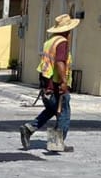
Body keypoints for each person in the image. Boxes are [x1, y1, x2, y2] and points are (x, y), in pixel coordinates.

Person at [19, 14, 79, 153]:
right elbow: (59, 62)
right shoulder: (62, 42)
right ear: (67, 30)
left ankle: (29, 128)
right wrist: (64, 81)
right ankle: (57, 143)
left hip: (47, 84)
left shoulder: (50, 41)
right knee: (64, 113)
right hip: (57, 85)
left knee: (51, 110)